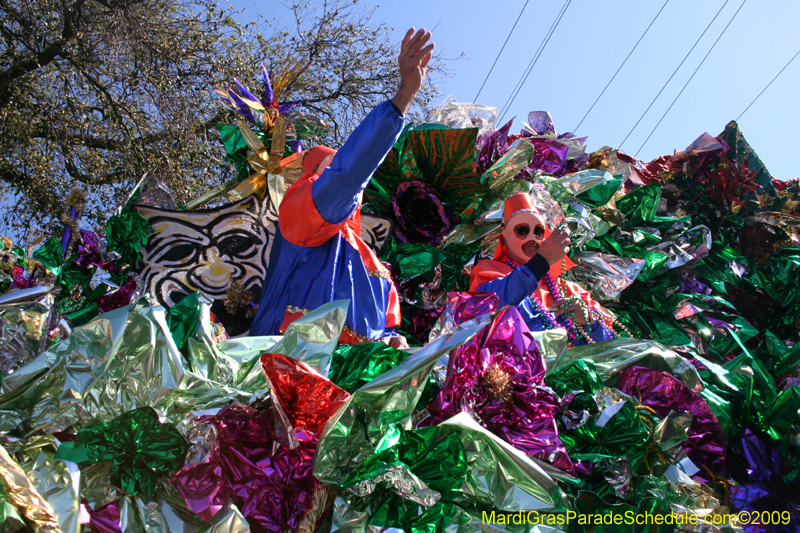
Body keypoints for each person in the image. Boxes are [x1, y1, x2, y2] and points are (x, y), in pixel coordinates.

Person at [249, 28, 435, 346]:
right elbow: (348, 175)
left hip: (353, 388)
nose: (344, 175)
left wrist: (393, 342)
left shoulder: (380, 272)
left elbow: (382, 332)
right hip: (288, 371)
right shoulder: (298, 216)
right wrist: (403, 97)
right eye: (329, 168)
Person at [470, 192, 615, 345]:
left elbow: (608, 351)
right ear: (505, 237)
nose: (532, 239)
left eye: (538, 231)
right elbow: (485, 307)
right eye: (522, 230)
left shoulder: (569, 290)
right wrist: (541, 262)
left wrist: (589, 322)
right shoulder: (489, 272)